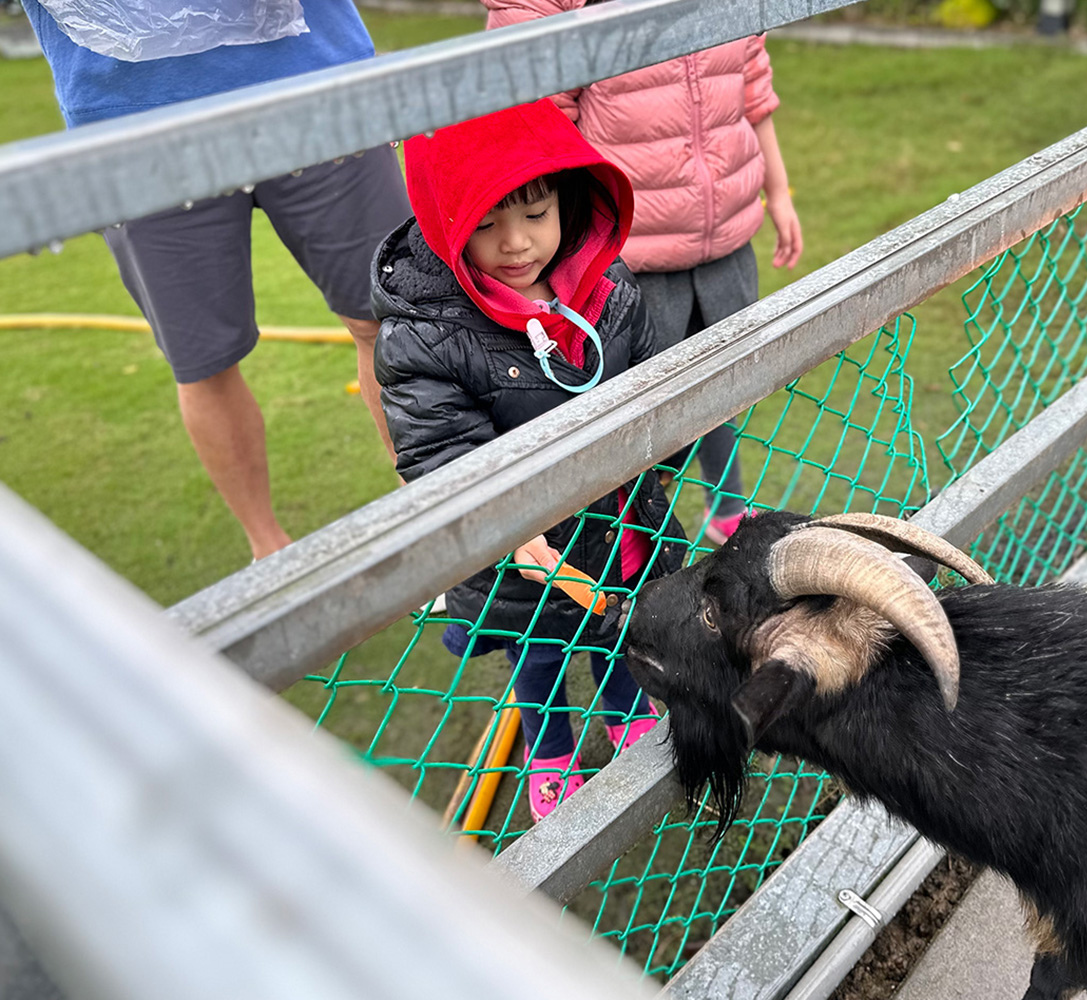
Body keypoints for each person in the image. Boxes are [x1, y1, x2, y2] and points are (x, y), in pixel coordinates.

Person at [373, 100, 685, 821]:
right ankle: (549, 751)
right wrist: (507, 527)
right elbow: (438, 449)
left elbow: (652, 374)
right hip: (529, 552)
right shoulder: (427, 332)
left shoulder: (606, 282)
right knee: (539, 655)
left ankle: (626, 710)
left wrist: (666, 441)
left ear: (569, 201)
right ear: (445, 224)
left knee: (617, 629)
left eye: (536, 213)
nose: (516, 243)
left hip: (620, 520)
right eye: (483, 223)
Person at [18, 0, 411, 561]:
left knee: (390, 318)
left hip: (314, 82)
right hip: (132, 122)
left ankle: (428, 512)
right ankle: (269, 555)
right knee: (203, 359)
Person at [484, 0, 804, 544]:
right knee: (637, 409)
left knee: (724, 380)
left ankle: (728, 506)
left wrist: (778, 191)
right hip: (631, 257)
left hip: (725, 237)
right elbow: (539, 125)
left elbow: (751, 81)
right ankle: (627, 536)